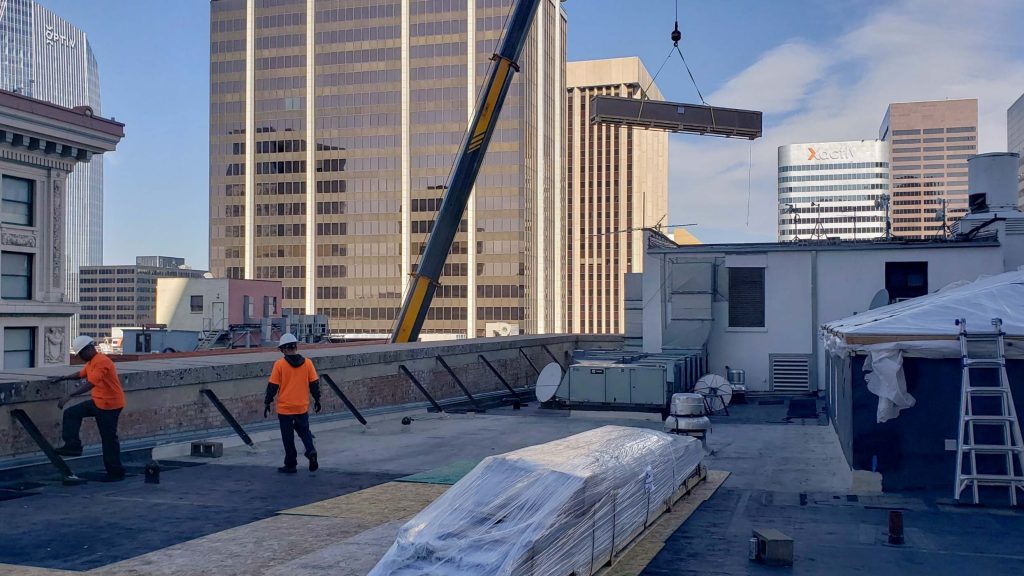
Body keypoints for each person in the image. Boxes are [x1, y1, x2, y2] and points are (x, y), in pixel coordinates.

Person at [51, 335, 126, 482]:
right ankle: (73, 446)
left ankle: (116, 472)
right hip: (98, 402)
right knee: (72, 413)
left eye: (81, 354)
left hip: (110, 406)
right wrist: (63, 378)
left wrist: (69, 396)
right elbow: (80, 374)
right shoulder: (92, 362)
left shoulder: (102, 362)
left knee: (109, 439)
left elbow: (90, 383)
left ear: (89, 349)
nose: (80, 357)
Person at [264, 333, 322, 473]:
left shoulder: (280, 365)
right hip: (301, 406)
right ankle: (311, 451)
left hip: (285, 408)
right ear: (296, 347)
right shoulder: (308, 363)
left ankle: (291, 464)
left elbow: (272, 386)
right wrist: (317, 399)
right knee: (304, 432)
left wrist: (267, 402)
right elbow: (314, 384)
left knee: (288, 437)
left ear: (283, 350)